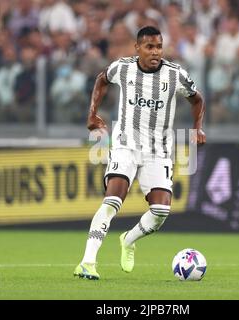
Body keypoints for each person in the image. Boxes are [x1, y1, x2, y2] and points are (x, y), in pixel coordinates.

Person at [74, 26, 206, 280]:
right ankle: (87, 262)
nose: (155, 52)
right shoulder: (122, 68)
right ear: (137, 48)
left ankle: (128, 240)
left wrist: (198, 128)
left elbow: (197, 99)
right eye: (149, 47)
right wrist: (92, 112)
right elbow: (101, 79)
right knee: (113, 201)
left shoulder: (175, 75)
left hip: (159, 151)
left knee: (161, 211)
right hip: (126, 145)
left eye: (159, 46)